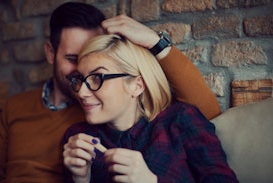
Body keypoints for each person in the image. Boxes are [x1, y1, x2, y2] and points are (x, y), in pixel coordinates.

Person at [0, 2, 220, 183]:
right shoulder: (21, 108)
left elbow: (205, 114)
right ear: (50, 53)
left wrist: (156, 42)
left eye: (96, 72)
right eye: (74, 59)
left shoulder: (108, 115)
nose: (82, 88)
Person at [62, 34, 238, 183]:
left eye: (96, 78)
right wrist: (81, 179)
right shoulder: (77, 140)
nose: (81, 92)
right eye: (79, 79)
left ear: (137, 85)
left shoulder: (180, 120)